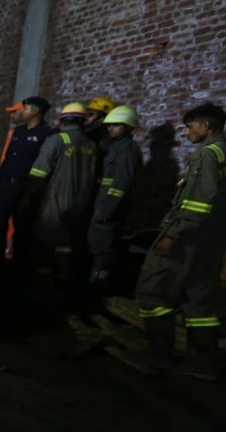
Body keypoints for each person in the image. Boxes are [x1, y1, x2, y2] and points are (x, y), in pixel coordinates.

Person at [123, 103, 226, 380]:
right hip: (212, 241)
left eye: (190, 126)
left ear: (206, 127)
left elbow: (198, 203)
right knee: (200, 301)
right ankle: (204, 365)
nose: (187, 132)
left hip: (187, 239)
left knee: (153, 288)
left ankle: (160, 356)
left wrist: (172, 234)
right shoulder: (224, 154)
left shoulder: (206, 155)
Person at [19, 102, 99, 284]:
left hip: (55, 200)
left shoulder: (57, 140)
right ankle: (64, 278)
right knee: (67, 242)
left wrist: (26, 197)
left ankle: (43, 280)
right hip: (81, 202)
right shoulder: (91, 145)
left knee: (45, 240)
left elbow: (39, 173)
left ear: (63, 121)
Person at [0, 96, 55, 273]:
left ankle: (19, 268)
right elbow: (8, 160)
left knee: (23, 229)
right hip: (6, 186)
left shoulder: (47, 134)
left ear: (36, 111)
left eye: (25, 108)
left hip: (26, 189)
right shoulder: (18, 132)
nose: (21, 111)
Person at [88, 105, 143, 290]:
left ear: (128, 127)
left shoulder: (127, 149)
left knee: (102, 246)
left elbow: (122, 182)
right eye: (110, 124)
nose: (110, 128)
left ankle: (99, 285)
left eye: (117, 125)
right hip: (102, 202)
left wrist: (107, 208)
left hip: (109, 207)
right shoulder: (115, 146)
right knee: (98, 244)